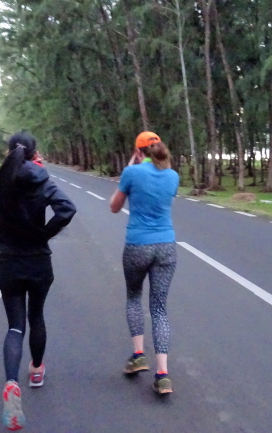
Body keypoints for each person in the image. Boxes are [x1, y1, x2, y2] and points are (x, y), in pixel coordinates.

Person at [0, 132, 76, 430]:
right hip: (38, 262)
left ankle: (11, 382)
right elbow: (67, 209)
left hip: (9, 263)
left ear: (8, 152)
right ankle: (36, 371)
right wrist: (43, 233)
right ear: (34, 155)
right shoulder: (42, 181)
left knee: (15, 326)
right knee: (37, 317)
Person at [109, 131, 179, 395]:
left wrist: (130, 167)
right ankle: (163, 374)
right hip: (166, 246)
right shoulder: (173, 176)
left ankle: (138, 355)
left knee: (134, 297)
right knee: (159, 308)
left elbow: (114, 207)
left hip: (138, 245)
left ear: (138, 152)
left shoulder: (131, 173)